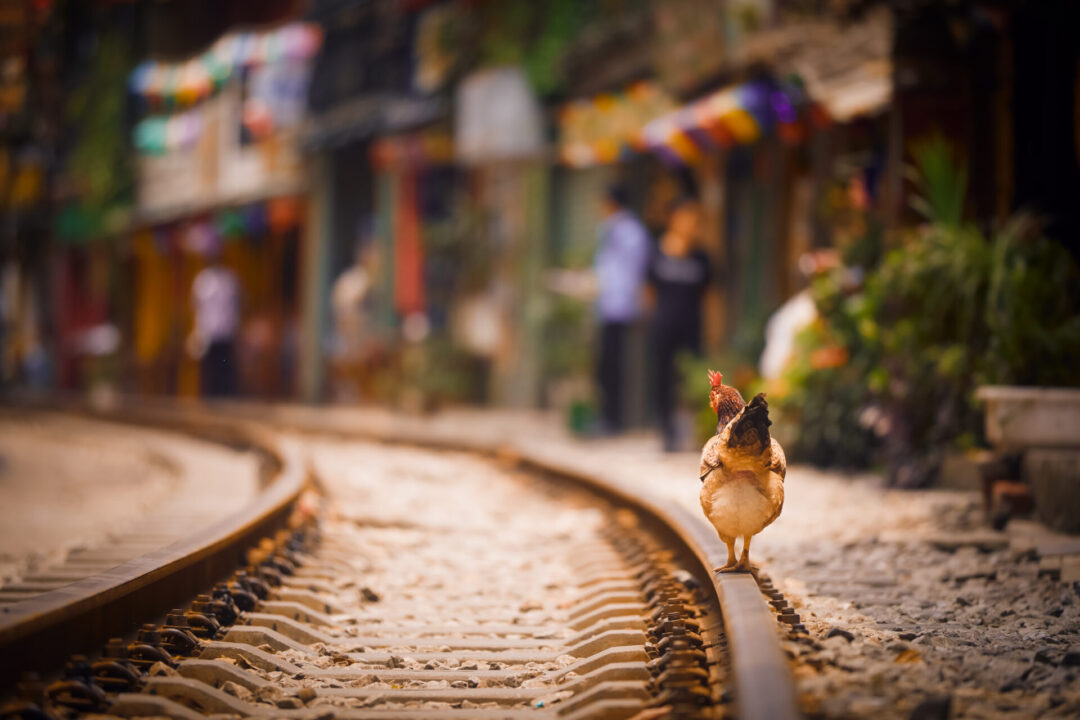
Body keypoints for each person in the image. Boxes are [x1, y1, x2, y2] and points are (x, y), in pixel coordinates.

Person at [648, 197, 712, 451]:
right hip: (664, 326)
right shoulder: (657, 253)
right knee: (663, 379)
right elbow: (648, 291)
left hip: (692, 326)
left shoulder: (702, 257)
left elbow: (710, 295)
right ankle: (666, 431)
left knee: (693, 379)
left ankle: (692, 430)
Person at [594, 183, 650, 433]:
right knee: (605, 365)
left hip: (622, 307)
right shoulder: (611, 229)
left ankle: (616, 420)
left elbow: (636, 272)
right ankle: (607, 417)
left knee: (616, 366)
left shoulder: (630, 232)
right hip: (608, 305)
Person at [191, 249, 240, 397]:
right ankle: (211, 397)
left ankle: (222, 396)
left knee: (223, 367)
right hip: (210, 331)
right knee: (211, 369)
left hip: (224, 331)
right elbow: (196, 306)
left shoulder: (228, 279)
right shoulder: (203, 280)